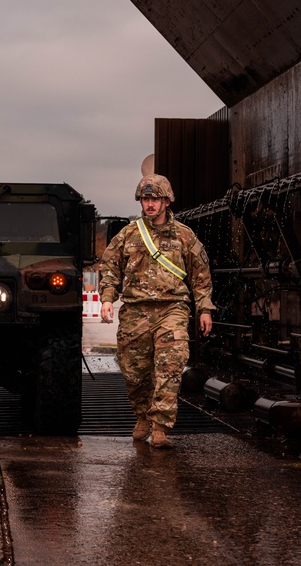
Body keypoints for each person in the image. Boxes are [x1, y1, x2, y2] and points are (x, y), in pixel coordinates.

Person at [99, 174, 215, 448]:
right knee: (134, 372)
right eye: (145, 199)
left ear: (166, 201)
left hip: (172, 310)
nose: (149, 204)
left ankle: (161, 427)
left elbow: (201, 276)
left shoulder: (185, 236)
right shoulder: (128, 234)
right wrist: (106, 298)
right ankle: (142, 417)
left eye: (155, 199)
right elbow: (110, 268)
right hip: (135, 313)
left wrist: (205, 309)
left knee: (170, 369)